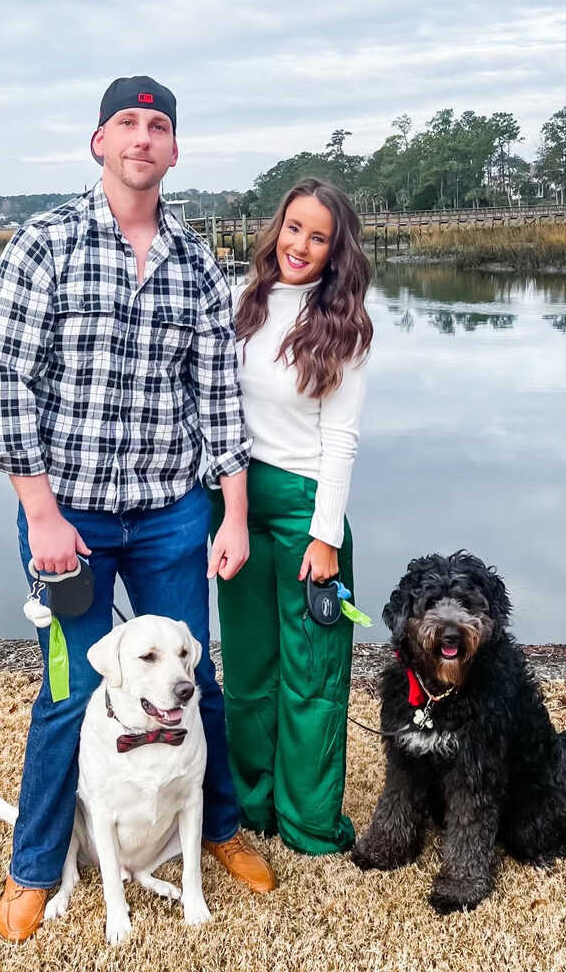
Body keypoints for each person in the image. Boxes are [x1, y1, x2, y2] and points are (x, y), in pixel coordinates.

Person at [0, 76, 276, 943]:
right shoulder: (42, 245)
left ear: (174, 150)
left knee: (194, 680)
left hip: (170, 513)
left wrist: (230, 513)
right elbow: (6, 383)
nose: (143, 139)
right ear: (99, 143)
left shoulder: (193, 260)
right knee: (71, 691)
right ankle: (35, 868)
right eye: (127, 124)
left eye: (158, 126)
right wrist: (38, 510)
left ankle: (213, 827)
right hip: (66, 513)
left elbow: (215, 394)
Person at [209, 178, 373, 855]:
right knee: (248, 667)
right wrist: (226, 512)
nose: (300, 245)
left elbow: (341, 438)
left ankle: (309, 822)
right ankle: (255, 807)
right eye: (293, 228)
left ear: (336, 251)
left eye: (318, 236)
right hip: (239, 506)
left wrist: (325, 537)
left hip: (309, 512)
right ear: (275, 227)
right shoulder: (240, 303)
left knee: (312, 674)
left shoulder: (344, 326)